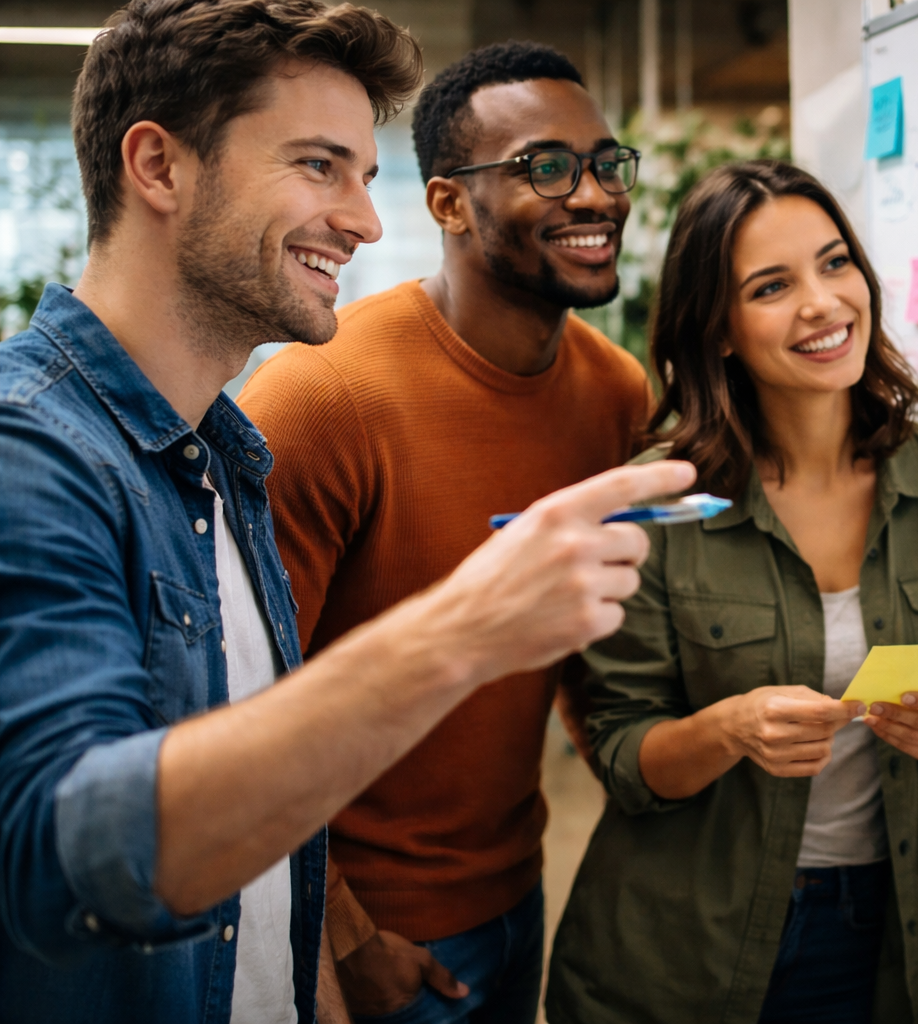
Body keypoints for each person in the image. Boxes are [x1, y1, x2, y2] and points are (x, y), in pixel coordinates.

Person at [0, 3, 693, 1022]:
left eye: (365, 176)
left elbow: (258, 790)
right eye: (319, 166)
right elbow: (64, 856)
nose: (369, 221)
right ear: (157, 166)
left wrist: (311, 962)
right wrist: (463, 628)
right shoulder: (35, 455)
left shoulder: (222, 456)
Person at [237, 40, 651, 1024]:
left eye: (604, 163)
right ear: (447, 203)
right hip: (372, 924)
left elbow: (591, 658)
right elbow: (242, 696)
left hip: (522, 885)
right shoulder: (319, 393)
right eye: (545, 166)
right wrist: (343, 931)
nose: (592, 194)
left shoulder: (613, 392)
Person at [544, 160, 918, 1024]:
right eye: (772, 286)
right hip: (676, 940)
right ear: (718, 330)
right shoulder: (657, 506)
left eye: (836, 264)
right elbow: (619, 752)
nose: (824, 303)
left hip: (869, 929)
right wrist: (727, 730)